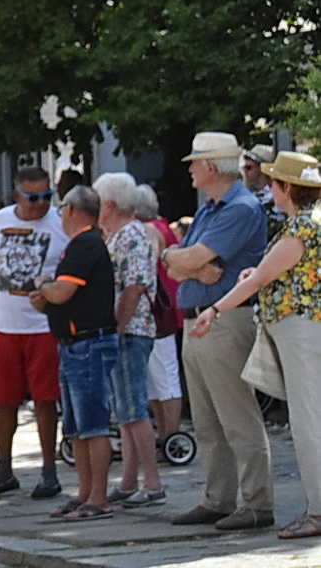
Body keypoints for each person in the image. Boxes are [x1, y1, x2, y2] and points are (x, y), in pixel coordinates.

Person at [191, 151, 321, 540]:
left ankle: (317, 511)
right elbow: (279, 273)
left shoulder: (300, 227)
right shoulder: (311, 223)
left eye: (274, 183)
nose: (269, 188)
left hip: (300, 333)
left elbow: (259, 280)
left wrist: (214, 308)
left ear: (286, 188)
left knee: (308, 423)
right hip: (306, 330)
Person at [164, 132, 273, 530]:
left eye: (194, 162)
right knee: (208, 420)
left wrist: (183, 260)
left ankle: (257, 503)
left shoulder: (238, 208)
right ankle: (219, 498)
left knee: (236, 416)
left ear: (211, 166)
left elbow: (190, 259)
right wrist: (179, 259)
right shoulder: (213, 208)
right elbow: (180, 263)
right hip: (201, 319)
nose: (190, 169)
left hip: (224, 320)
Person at [0, 165, 70, 499]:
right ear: (17, 196)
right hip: (6, 324)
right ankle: (3, 470)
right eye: (33, 197)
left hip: (42, 326)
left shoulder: (60, 223)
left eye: (46, 196)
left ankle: (49, 472)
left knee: (45, 400)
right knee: (3, 399)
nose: (41, 204)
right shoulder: (1, 220)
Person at [28, 186, 119, 520]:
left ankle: (98, 498)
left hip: (89, 344)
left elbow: (63, 292)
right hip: (74, 343)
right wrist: (48, 297)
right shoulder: (81, 244)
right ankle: (84, 494)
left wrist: (42, 287)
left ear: (70, 210)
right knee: (77, 427)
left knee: (93, 425)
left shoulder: (85, 242)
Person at [94, 173, 165, 506]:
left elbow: (135, 287)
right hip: (129, 330)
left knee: (134, 408)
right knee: (126, 410)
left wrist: (117, 326)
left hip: (131, 331)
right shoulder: (120, 235)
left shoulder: (132, 235)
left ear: (109, 205)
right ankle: (128, 481)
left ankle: (152, 483)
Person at [134, 184, 185, 445]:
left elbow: (148, 264)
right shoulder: (163, 226)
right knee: (159, 376)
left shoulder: (149, 230)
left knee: (164, 375)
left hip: (158, 313)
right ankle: (166, 434)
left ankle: (170, 435)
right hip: (167, 310)